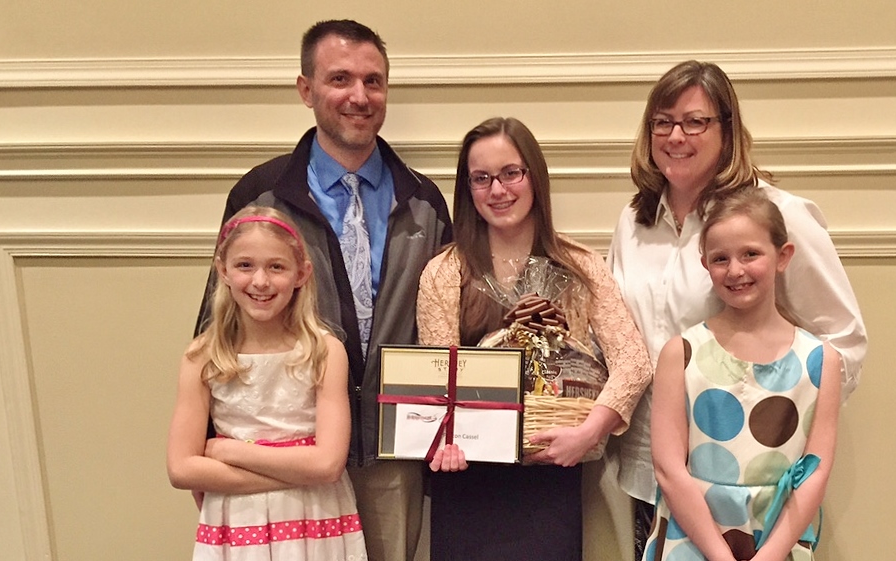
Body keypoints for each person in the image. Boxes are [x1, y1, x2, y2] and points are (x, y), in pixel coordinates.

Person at [193, 20, 453, 561]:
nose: (359, 96)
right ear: (306, 89)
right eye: (340, 79)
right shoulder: (260, 193)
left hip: (390, 458)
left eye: (373, 81)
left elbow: (446, 329)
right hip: (284, 454)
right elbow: (219, 322)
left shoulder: (425, 203)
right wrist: (211, 444)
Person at [608, 60, 867, 559]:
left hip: (755, 485)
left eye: (695, 121)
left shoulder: (778, 215)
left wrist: (777, 439)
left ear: (727, 130)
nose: (676, 135)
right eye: (662, 122)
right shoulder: (634, 220)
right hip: (653, 472)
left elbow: (841, 341)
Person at [416, 117, 653, 561]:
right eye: (481, 178)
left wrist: (589, 432)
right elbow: (438, 379)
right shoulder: (446, 272)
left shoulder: (580, 266)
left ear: (534, 177)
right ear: (468, 189)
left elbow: (633, 362)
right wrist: (443, 439)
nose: (498, 190)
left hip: (552, 472)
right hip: (469, 479)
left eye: (511, 173)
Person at [645, 188, 841, 561]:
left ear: (782, 256)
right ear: (706, 265)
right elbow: (669, 469)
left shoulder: (820, 361)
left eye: (750, 254)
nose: (735, 270)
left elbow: (816, 472)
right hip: (694, 538)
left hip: (778, 539)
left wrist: (770, 555)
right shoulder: (681, 354)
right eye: (721, 258)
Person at [168, 207, 368, 561]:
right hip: (236, 524)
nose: (260, 281)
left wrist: (231, 452)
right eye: (245, 265)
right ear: (223, 271)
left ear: (301, 273)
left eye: (276, 267)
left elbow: (327, 466)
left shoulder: (324, 352)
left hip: (315, 519)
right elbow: (182, 468)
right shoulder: (202, 356)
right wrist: (300, 470)